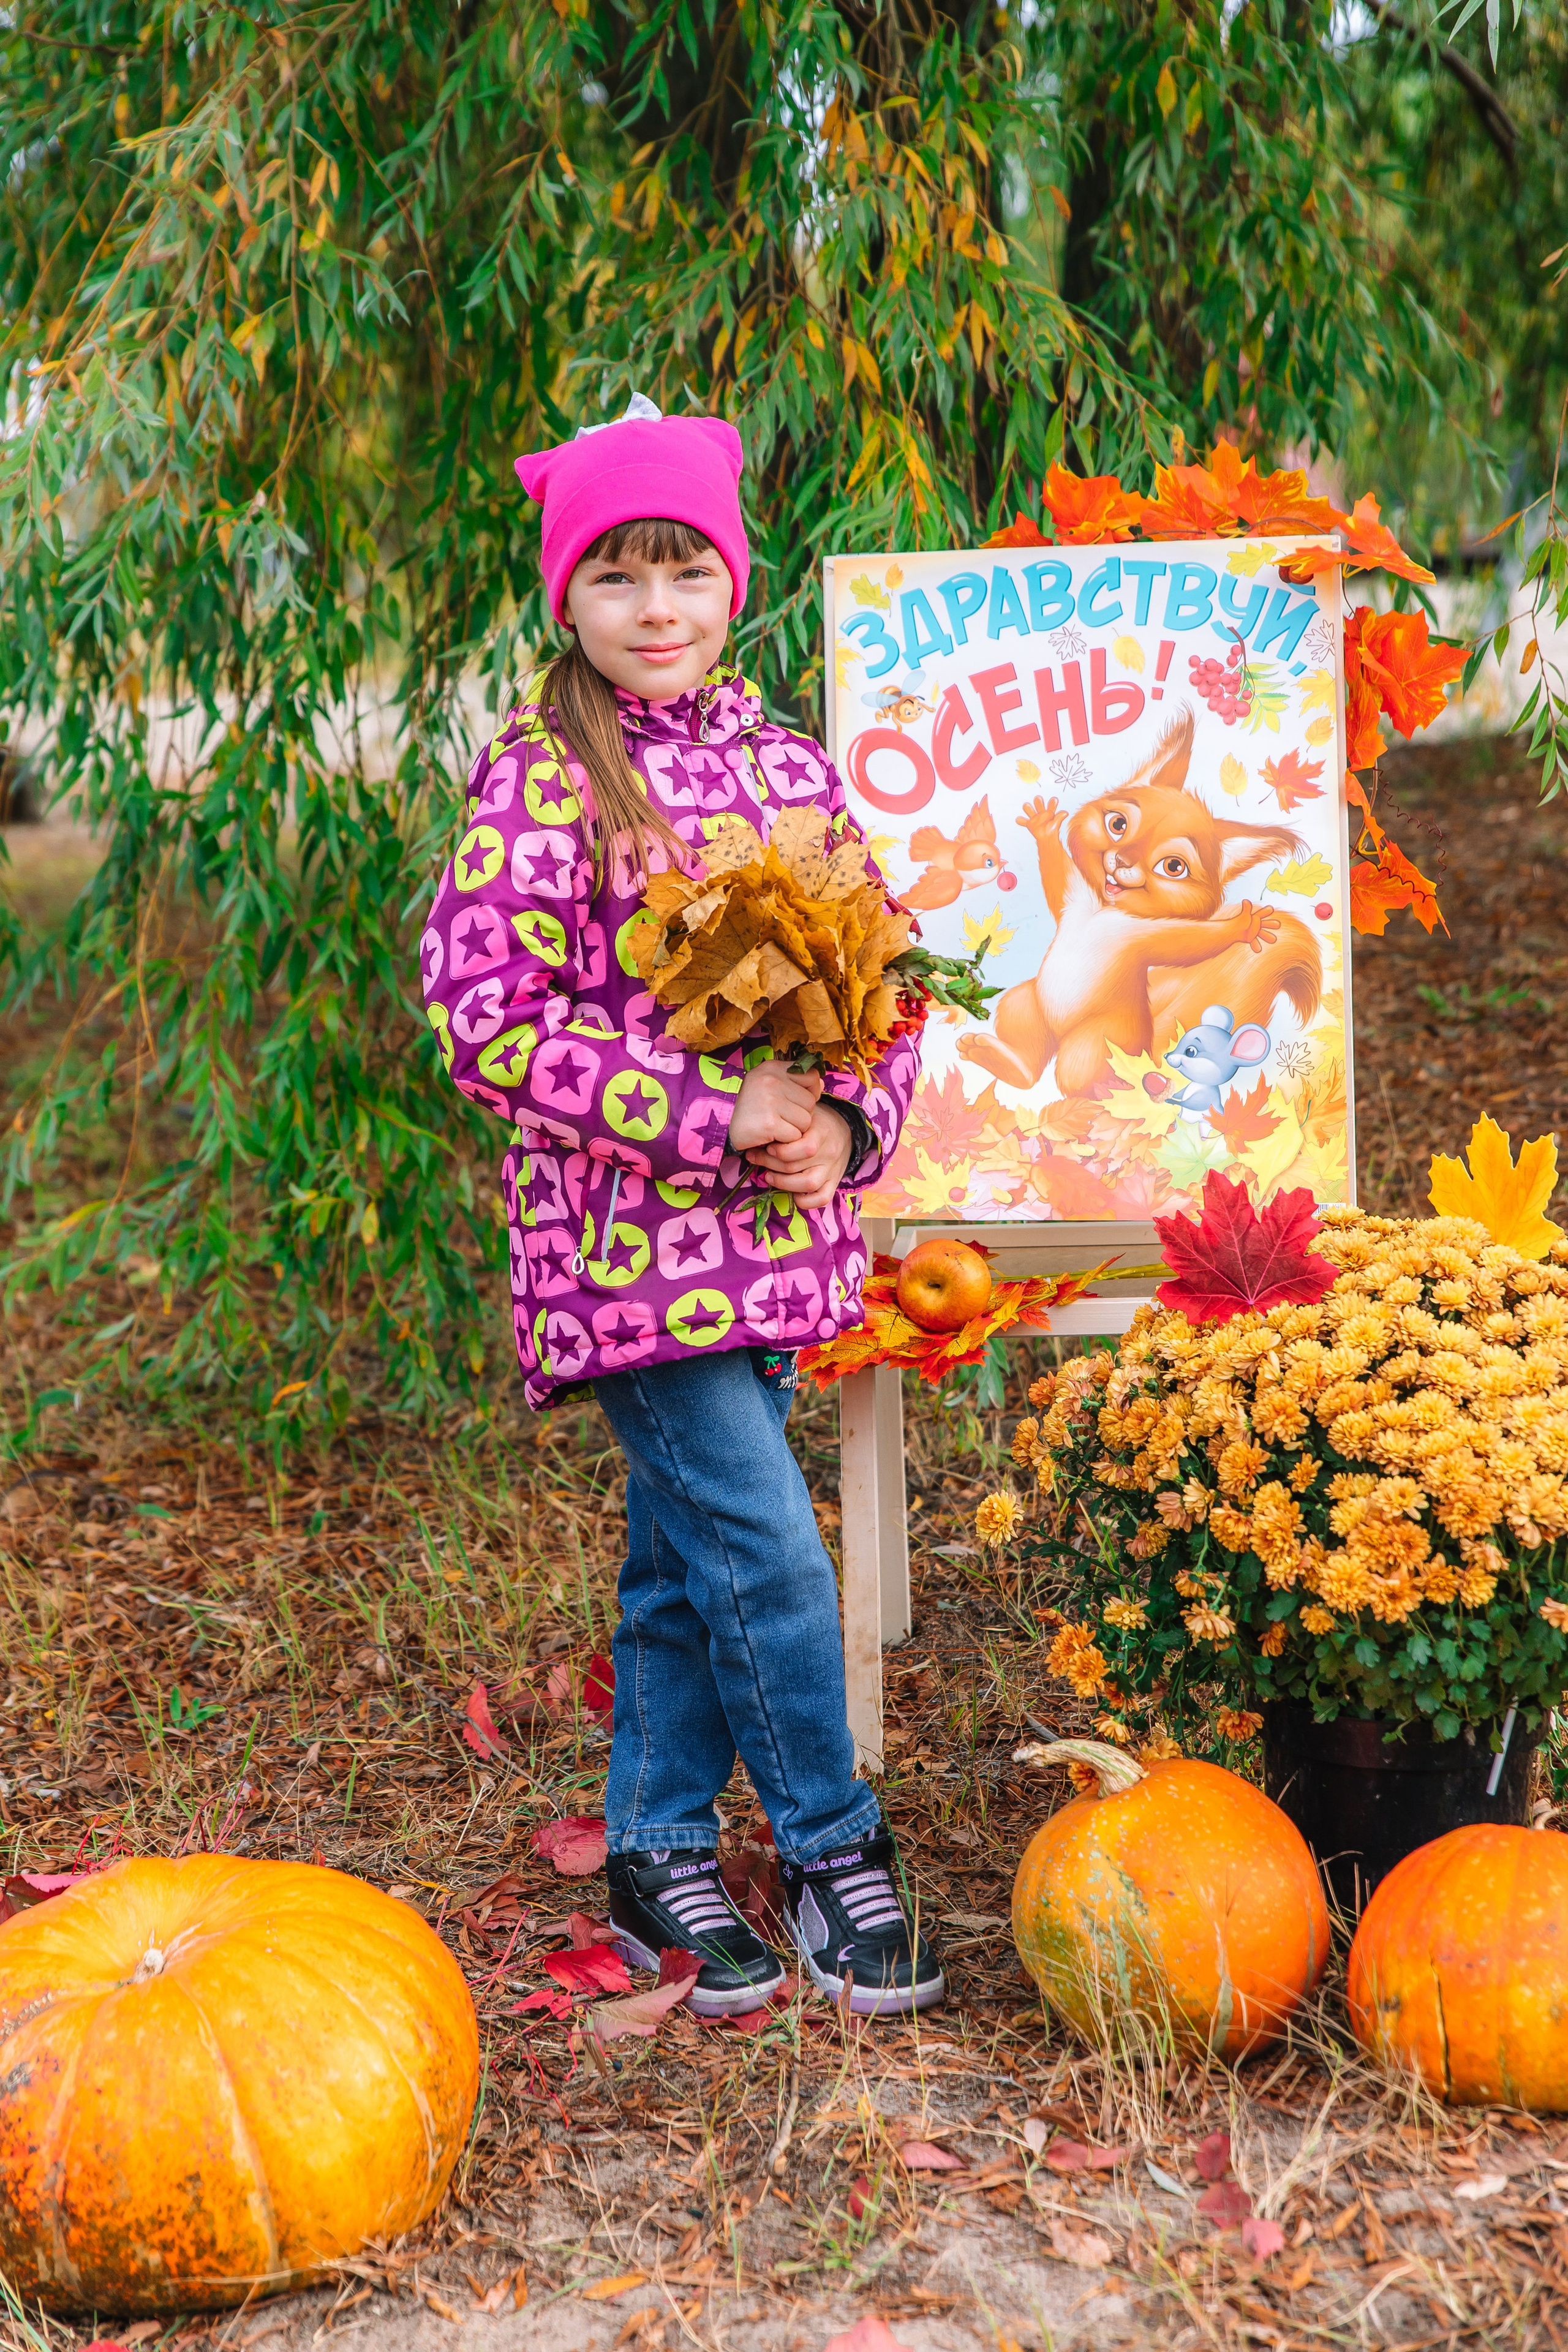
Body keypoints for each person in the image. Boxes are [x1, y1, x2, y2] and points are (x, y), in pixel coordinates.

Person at [421, 398, 942, 2019]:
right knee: (772, 1554)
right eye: (620, 580)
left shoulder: (790, 764)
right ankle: (832, 1844)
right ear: (566, 599)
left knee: (683, 1569)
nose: (658, 612)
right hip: (628, 1264)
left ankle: (654, 1851)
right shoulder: (540, 775)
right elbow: (486, 1018)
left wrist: (849, 1123)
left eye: (687, 572)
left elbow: (894, 978)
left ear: (734, 581)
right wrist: (715, 1114)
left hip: (783, 1248)